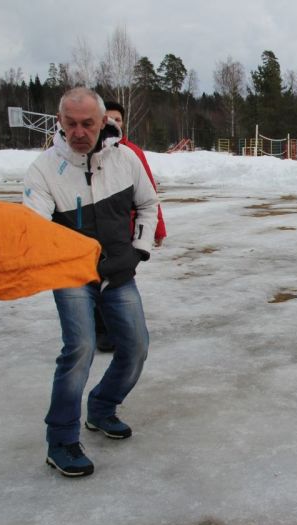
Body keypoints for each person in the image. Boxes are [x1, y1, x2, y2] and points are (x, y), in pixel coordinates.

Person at [23, 87, 159, 477]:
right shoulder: (44, 169)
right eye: (71, 124)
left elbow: (148, 205)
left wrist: (138, 250)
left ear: (103, 122)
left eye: (87, 123)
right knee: (80, 349)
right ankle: (61, 441)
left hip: (118, 272)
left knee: (136, 347)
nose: (79, 132)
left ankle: (101, 407)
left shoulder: (125, 159)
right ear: (60, 122)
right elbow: (34, 225)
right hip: (71, 274)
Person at [93, 101, 168, 353]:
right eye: (108, 118)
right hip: (94, 232)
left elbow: (149, 194)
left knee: (118, 280)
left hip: (123, 232)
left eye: (118, 119)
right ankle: (101, 330)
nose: (113, 123)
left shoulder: (131, 153)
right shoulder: (87, 153)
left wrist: (157, 229)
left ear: (123, 123)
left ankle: (116, 328)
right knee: (93, 280)